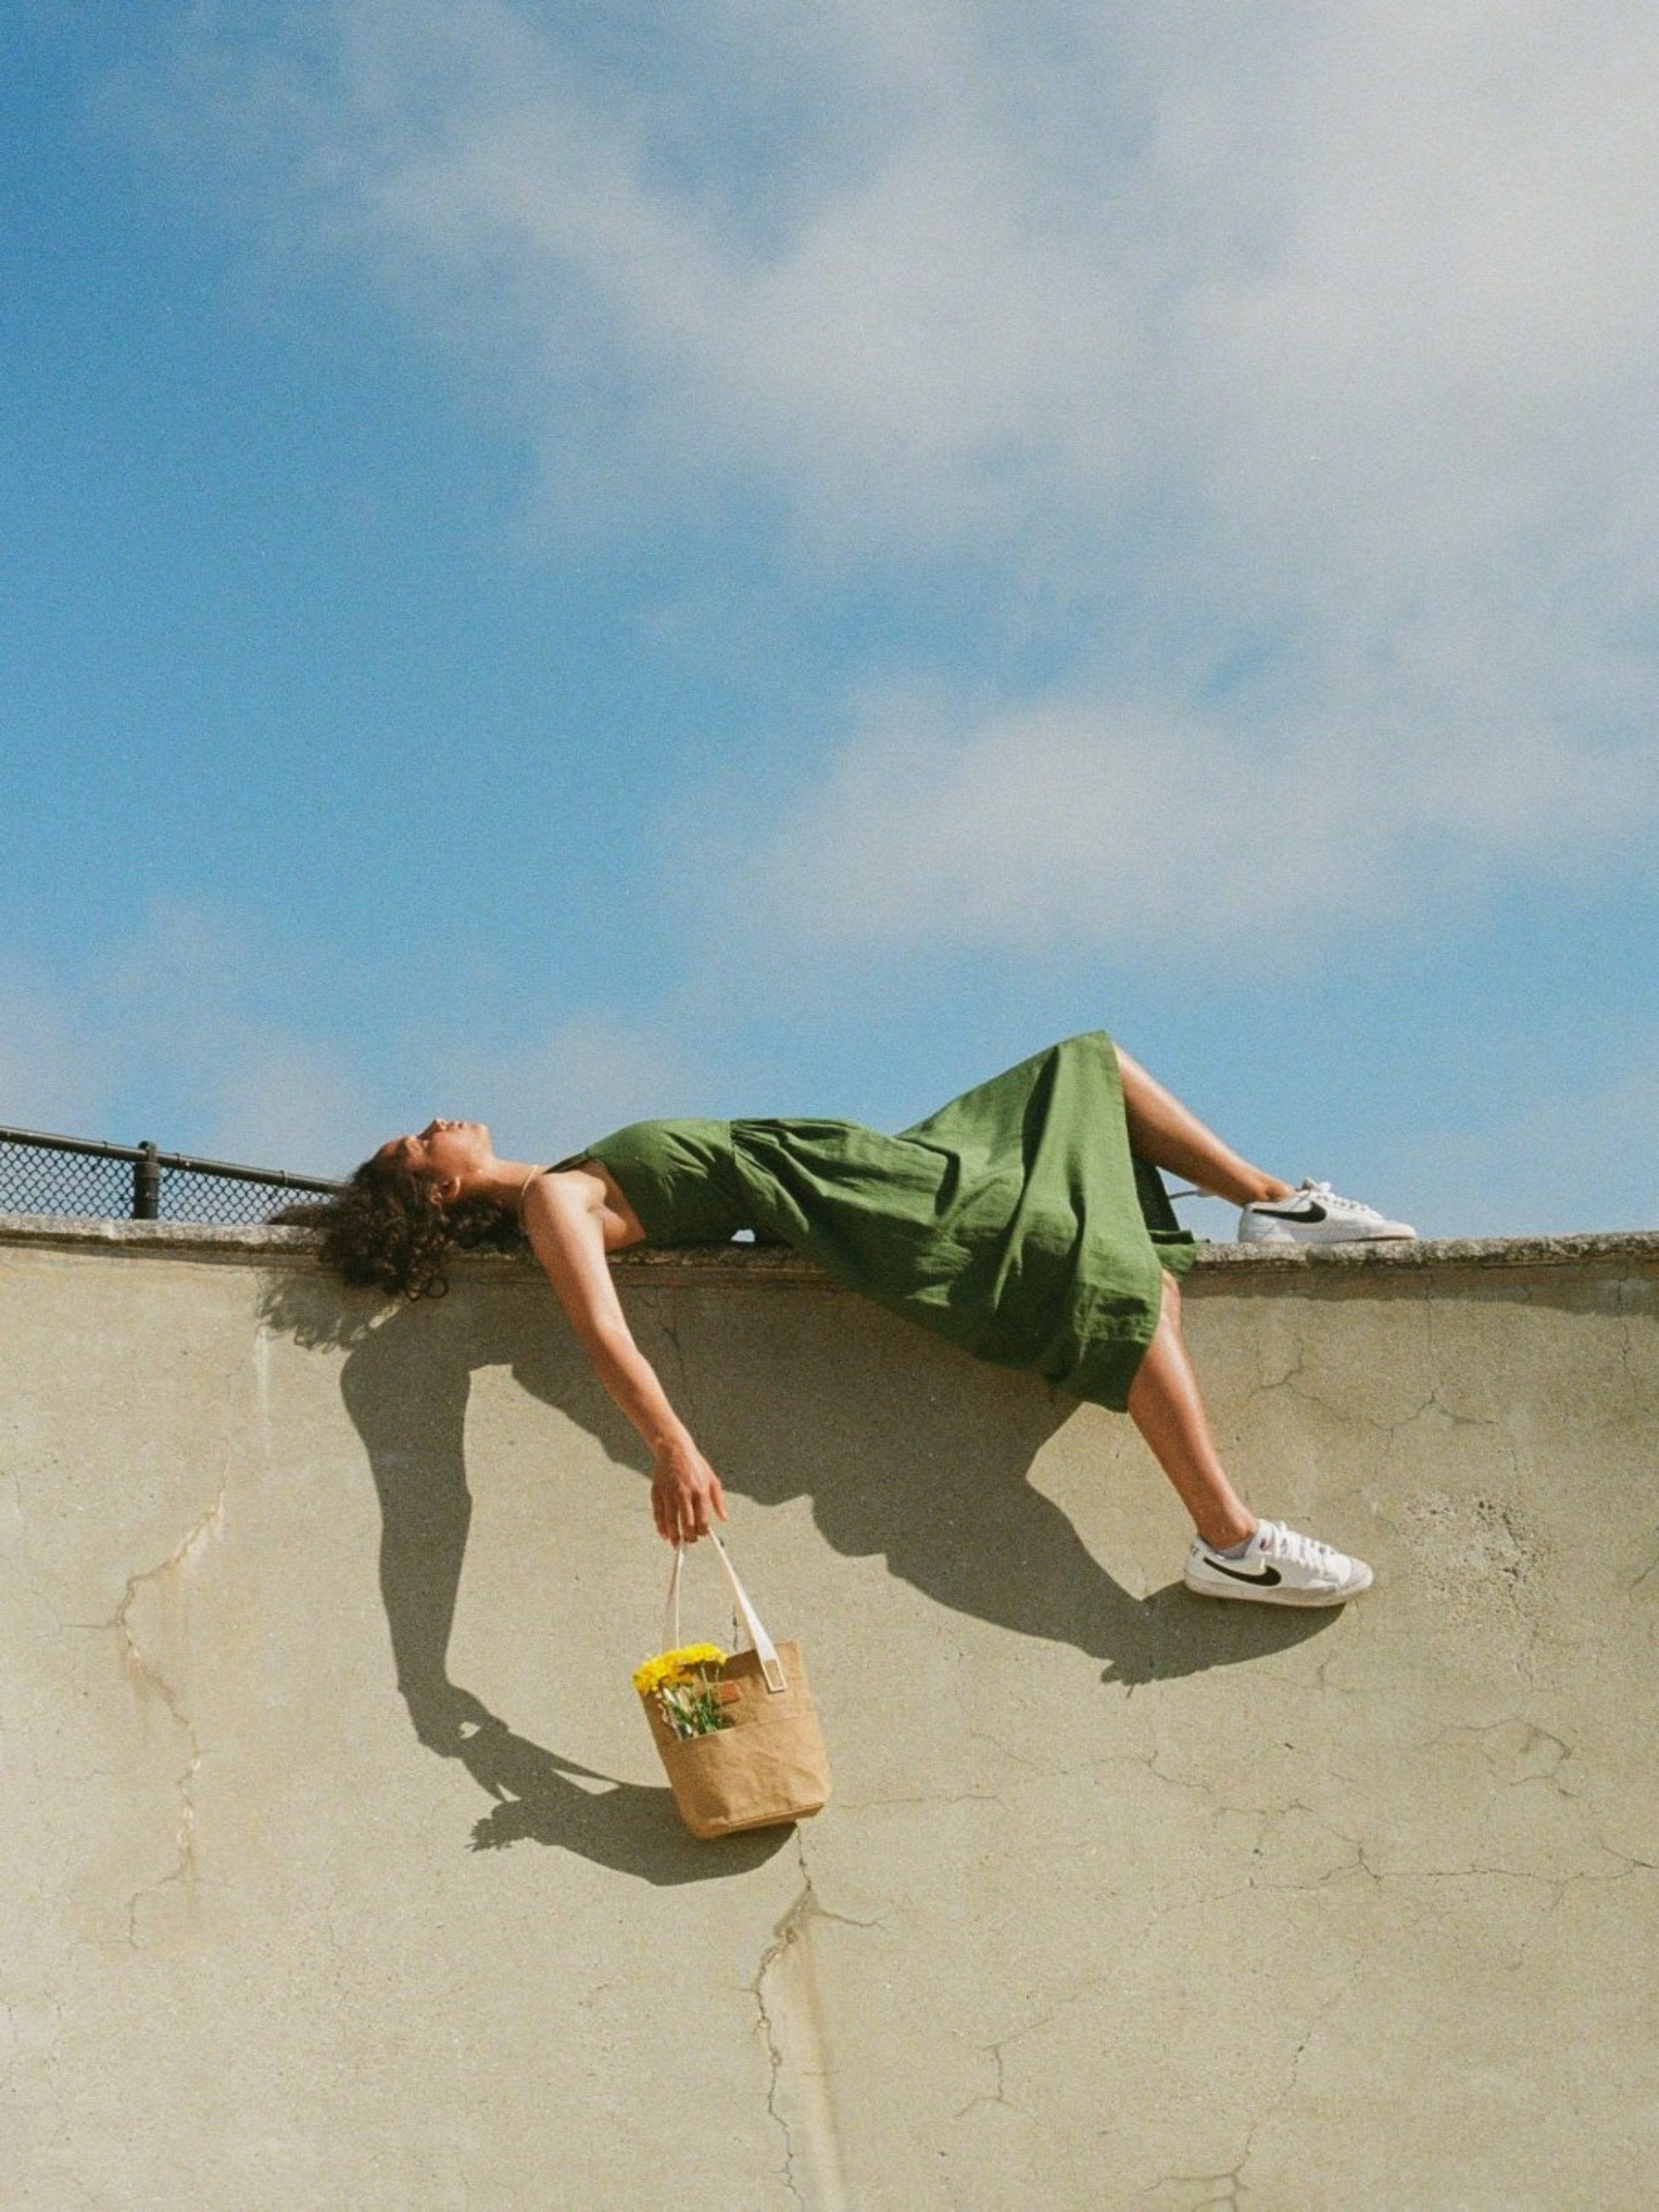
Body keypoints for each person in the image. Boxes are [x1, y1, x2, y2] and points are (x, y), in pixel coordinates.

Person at [313, 1032, 1414, 1607]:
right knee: (1109, 1279)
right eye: (418, 1141)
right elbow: (603, 1330)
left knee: (1088, 1072)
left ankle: (1276, 1204)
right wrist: (673, 1445)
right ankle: (1230, 1539)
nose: (435, 1120)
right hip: (854, 1204)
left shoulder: (568, 1177)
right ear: (438, 1192)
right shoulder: (557, 1202)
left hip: (857, 1166)